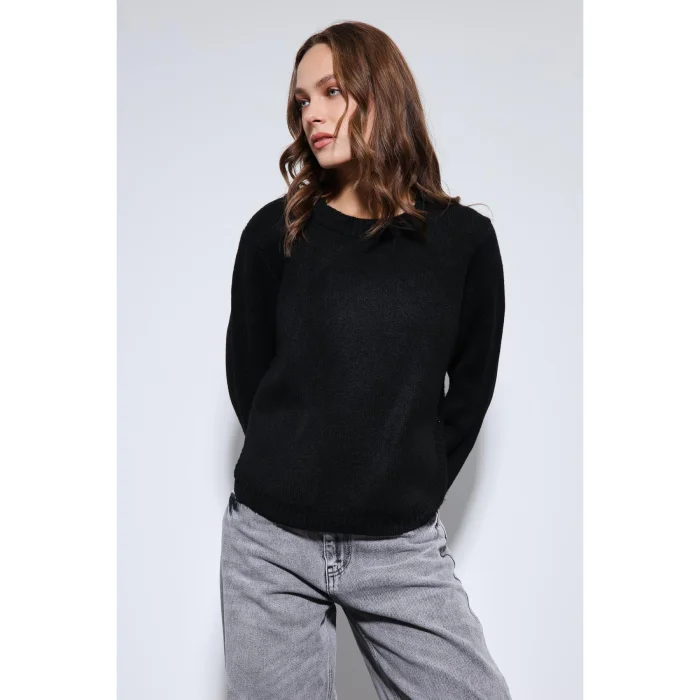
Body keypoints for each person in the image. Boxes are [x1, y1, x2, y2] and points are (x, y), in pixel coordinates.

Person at [220, 20, 512, 700]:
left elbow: (470, 390)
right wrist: (295, 462)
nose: (312, 114)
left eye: (331, 91)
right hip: (269, 545)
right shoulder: (274, 233)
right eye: (302, 100)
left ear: (381, 92)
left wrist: (407, 484)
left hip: (398, 547)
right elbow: (250, 377)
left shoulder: (464, 242)